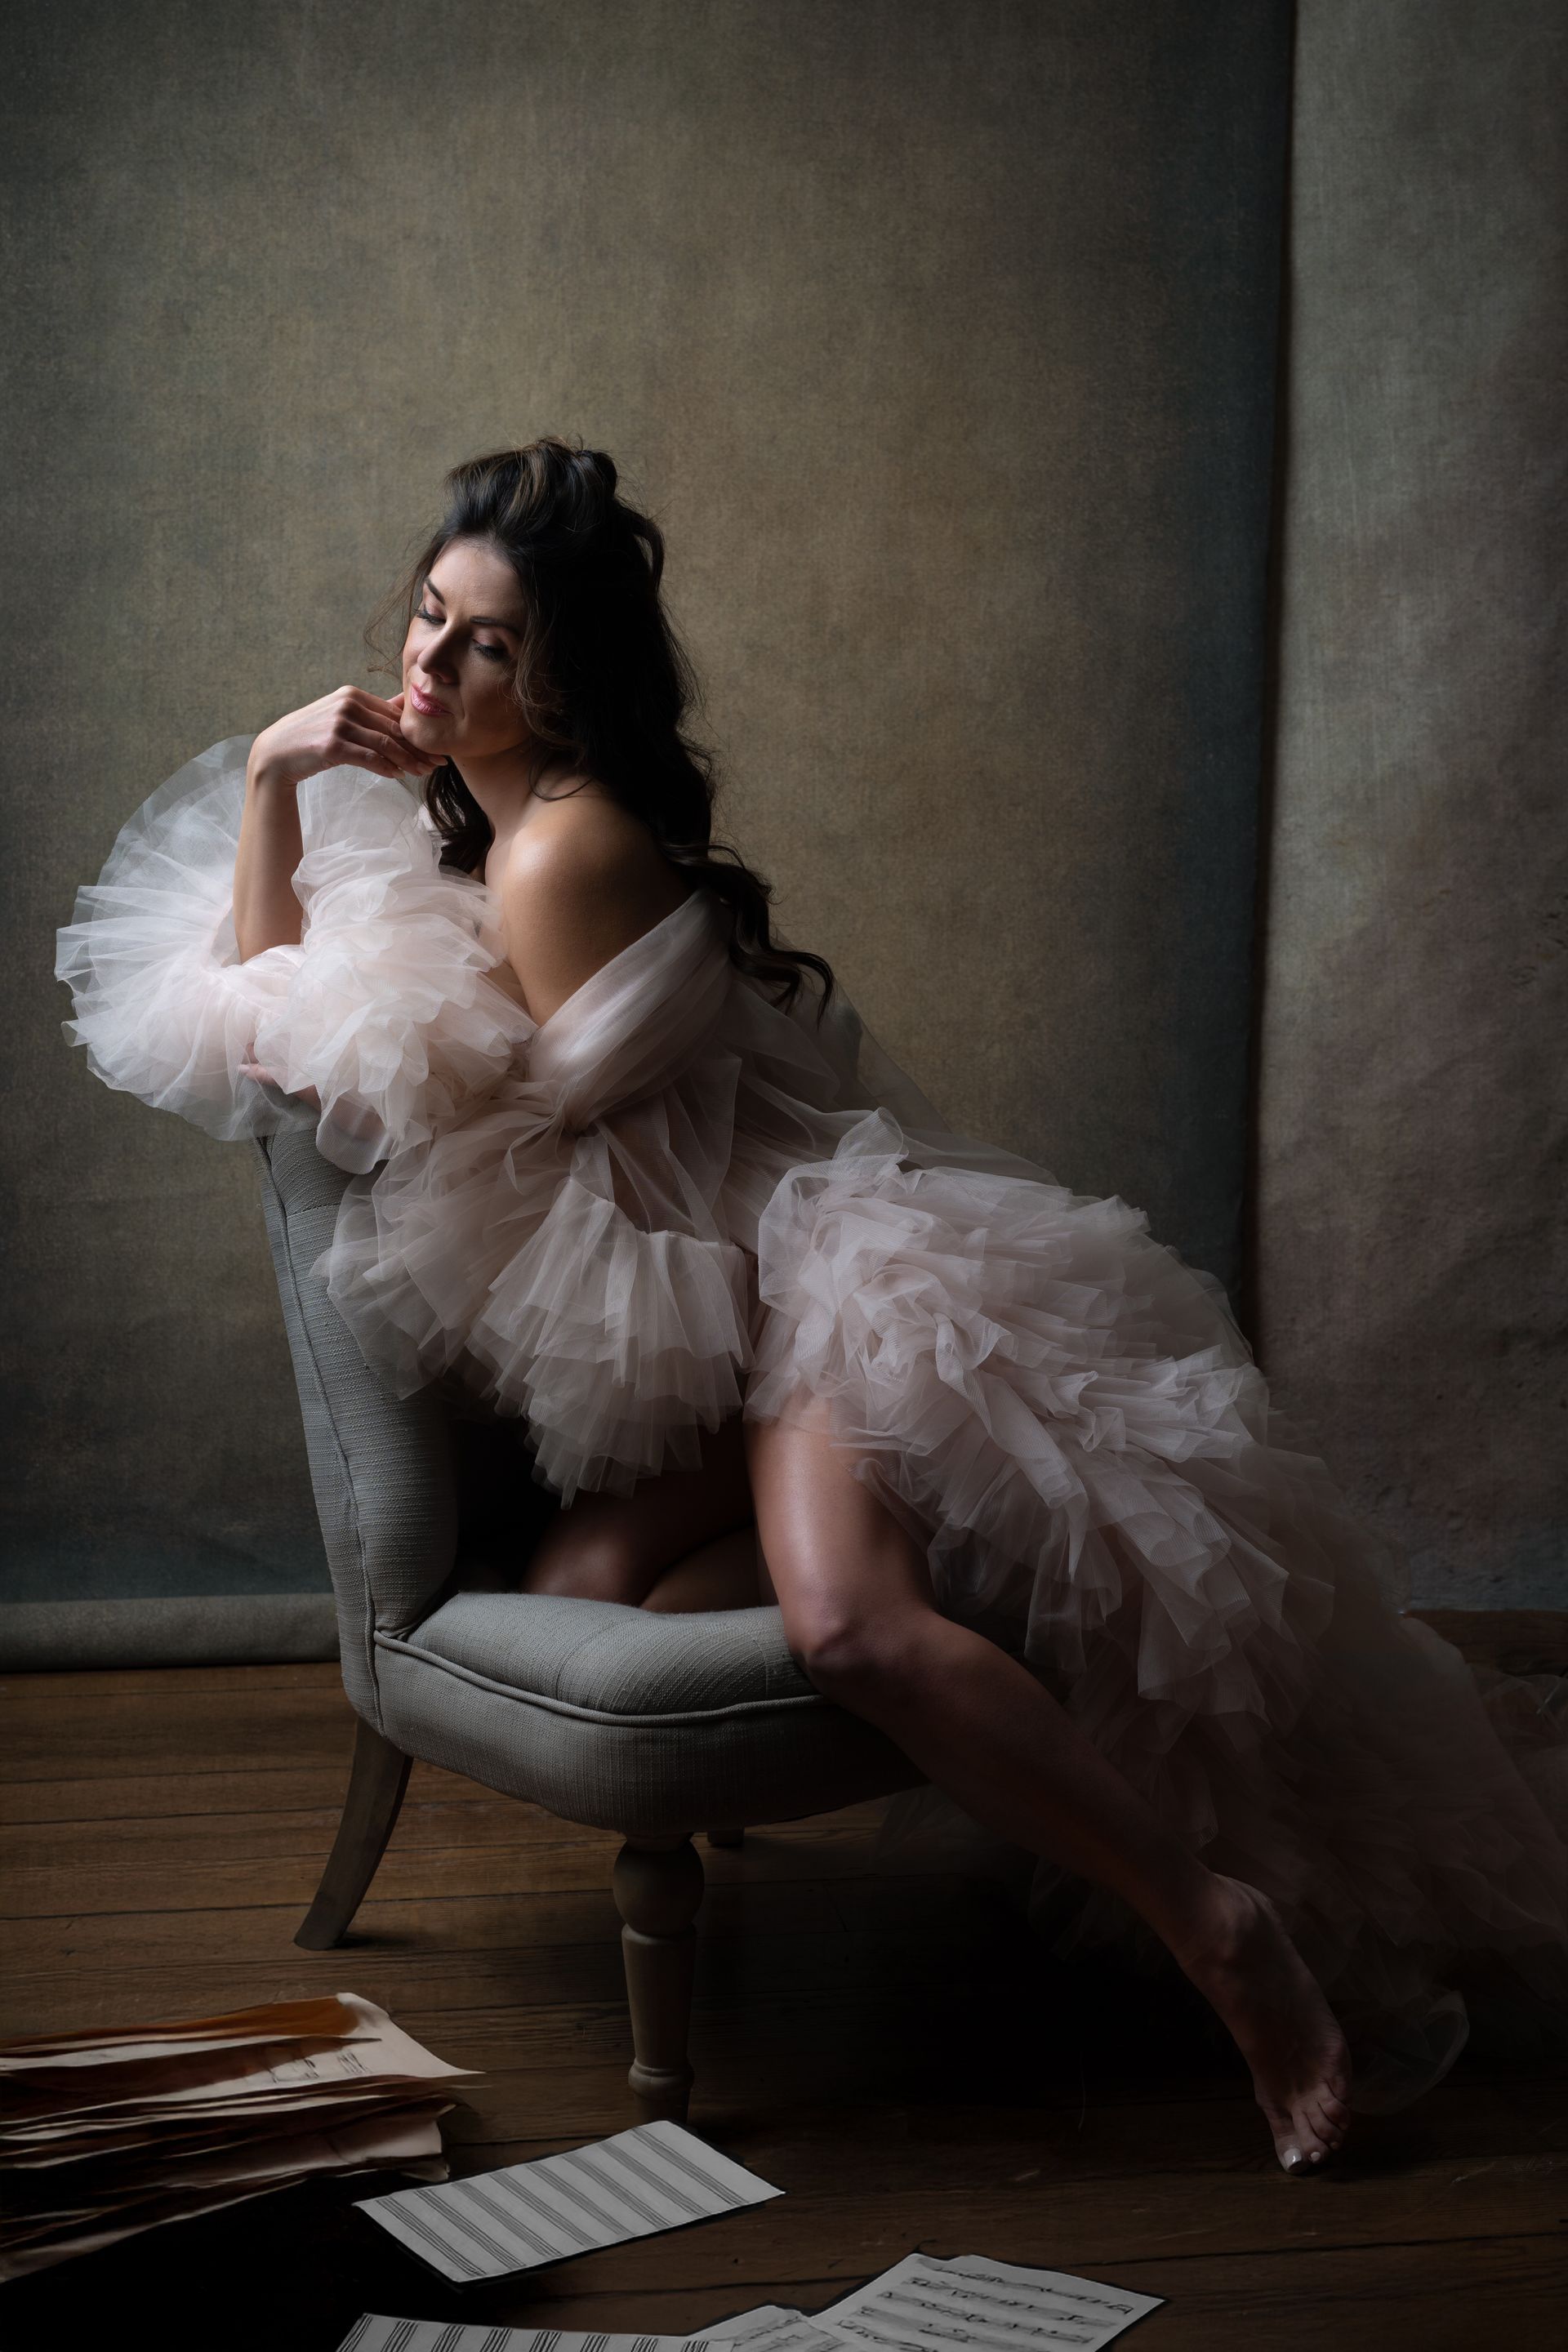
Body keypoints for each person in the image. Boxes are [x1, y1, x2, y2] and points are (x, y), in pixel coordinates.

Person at [56, 437, 1568, 2177]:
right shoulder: (487, 822)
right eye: (427, 620)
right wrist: (267, 777)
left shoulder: (560, 856)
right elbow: (276, 1032)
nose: (431, 667)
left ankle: (1217, 1924)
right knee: (582, 1581)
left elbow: (299, 1048)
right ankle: (967, 1575)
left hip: (826, 1280)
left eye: (485, 644)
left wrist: (301, 844)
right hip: (736, 1295)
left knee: (846, 1628)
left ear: (563, 674)